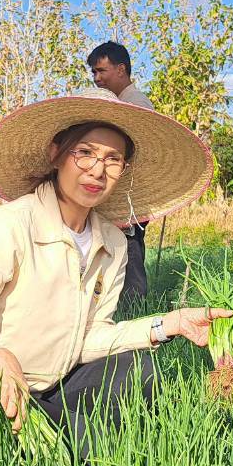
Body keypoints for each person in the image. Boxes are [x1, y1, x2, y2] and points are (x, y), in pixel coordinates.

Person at [0, 87, 229, 457]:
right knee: (66, 456)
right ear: (56, 153)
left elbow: (90, 338)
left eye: (113, 159)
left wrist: (169, 324)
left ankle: (82, 457)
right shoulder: (13, 223)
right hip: (2, 387)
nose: (97, 170)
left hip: (62, 381)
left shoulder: (113, 244)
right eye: (84, 152)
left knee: (138, 372)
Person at [87, 41, 151, 301]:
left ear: (121, 70)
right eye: (93, 73)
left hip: (130, 198)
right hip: (118, 193)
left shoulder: (136, 104)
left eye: (101, 71)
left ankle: (134, 311)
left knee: (130, 252)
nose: (97, 78)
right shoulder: (118, 102)